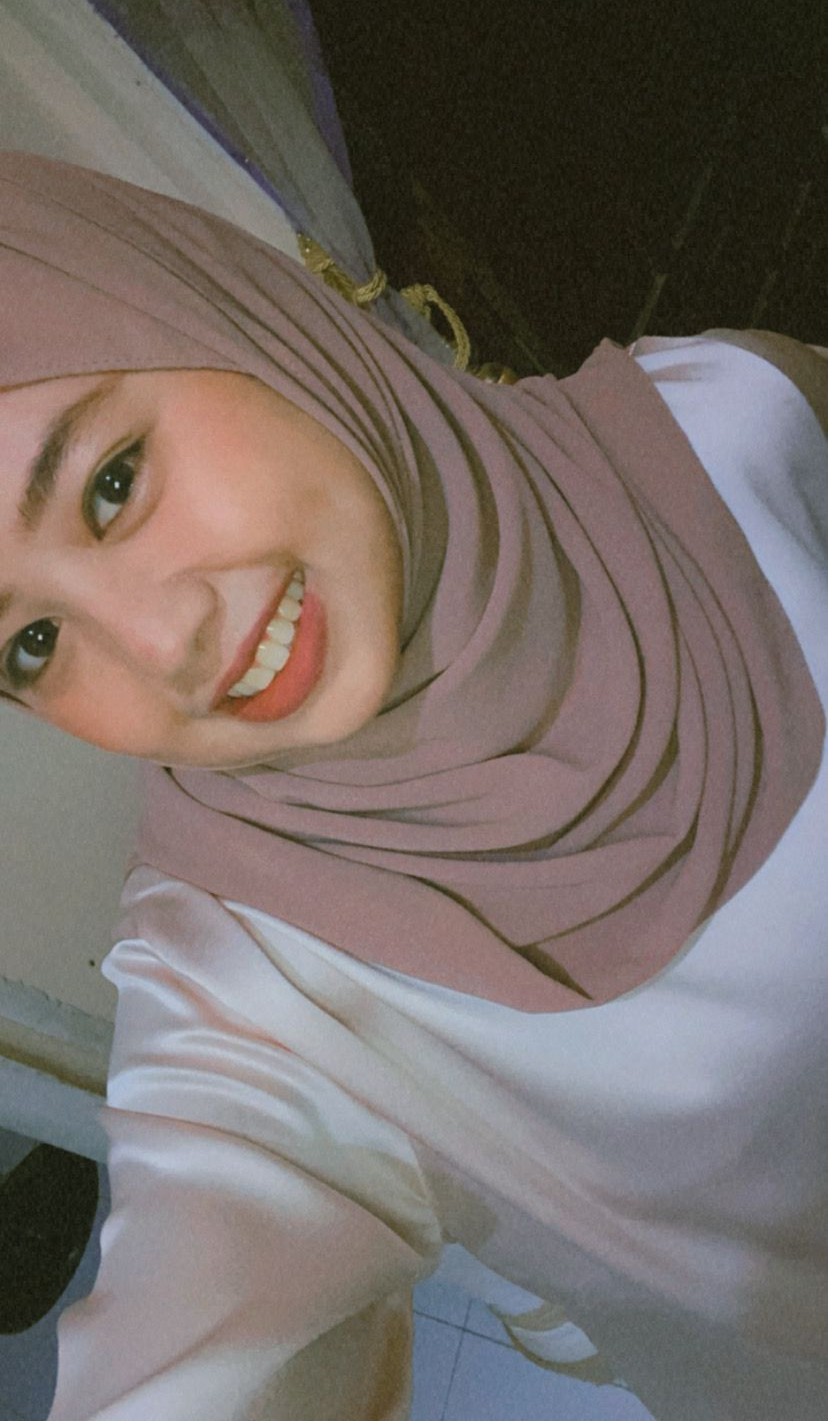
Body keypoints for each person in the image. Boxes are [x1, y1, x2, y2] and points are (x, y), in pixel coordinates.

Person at [0, 147, 826, 1421]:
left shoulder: (735, 418)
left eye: (113, 483)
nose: (164, 647)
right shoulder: (243, 990)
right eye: (30, 644)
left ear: (236, 313)